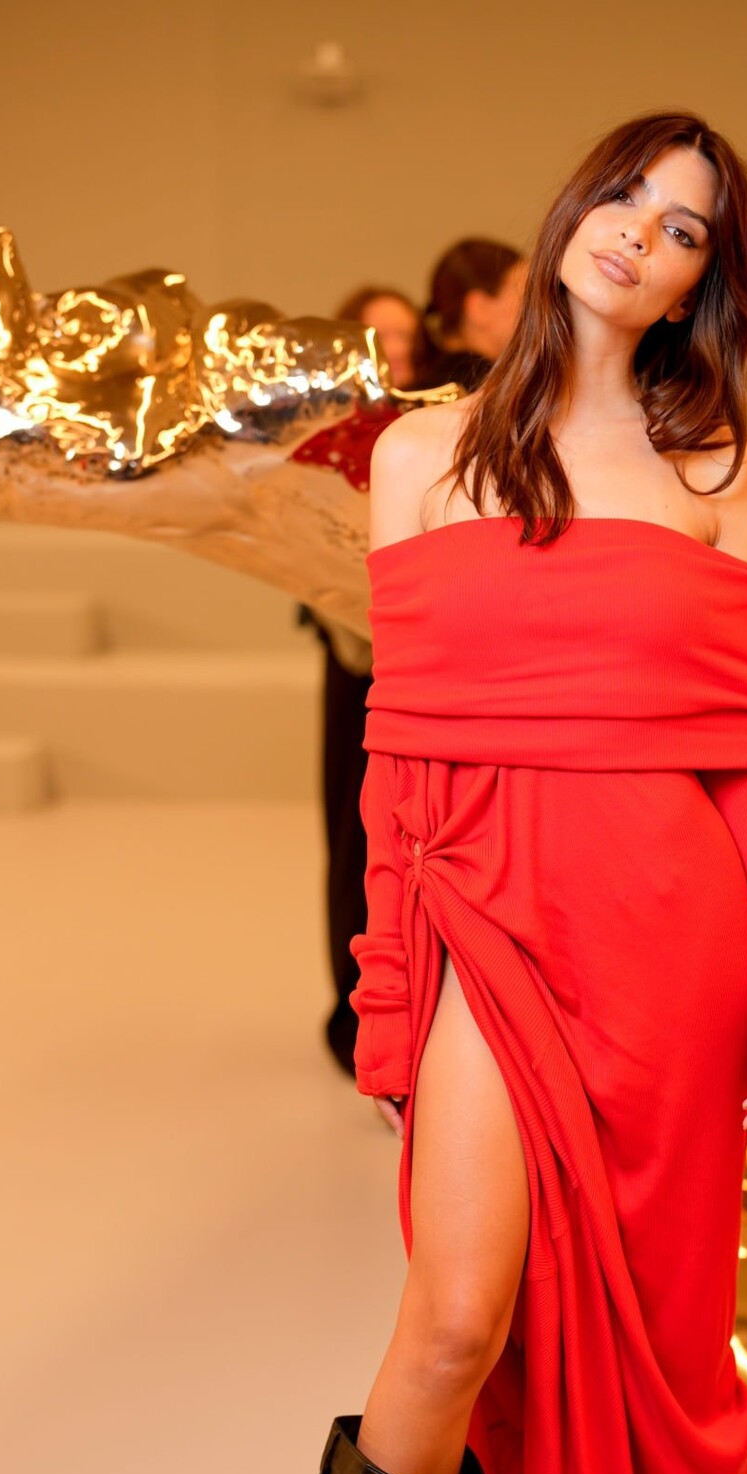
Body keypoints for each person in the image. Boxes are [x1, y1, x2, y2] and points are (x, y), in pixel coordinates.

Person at [277, 109, 747, 1474]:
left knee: (656, 1324)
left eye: (686, 230)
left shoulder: (720, 469)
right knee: (454, 1318)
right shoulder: (418, 454)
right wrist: (384, 995)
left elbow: (740, 761)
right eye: (627, 198)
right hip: (486, 916)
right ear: (572, 209)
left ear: (699, 288)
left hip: (668, 939)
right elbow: (395, 760)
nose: (641, 237)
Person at [300, 270, 524, 1077]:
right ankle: (358, 1014)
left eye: (403, 334)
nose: (393, 347)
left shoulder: (433, 427)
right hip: (356, 663)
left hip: (430, 668)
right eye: (377, 335)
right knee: (357, 840)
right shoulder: (324, 432)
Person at [417, 236, 528, 390]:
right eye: (525, 297)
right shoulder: (504, 395)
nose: (539, 312)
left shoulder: (413, 393)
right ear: (479, 308)